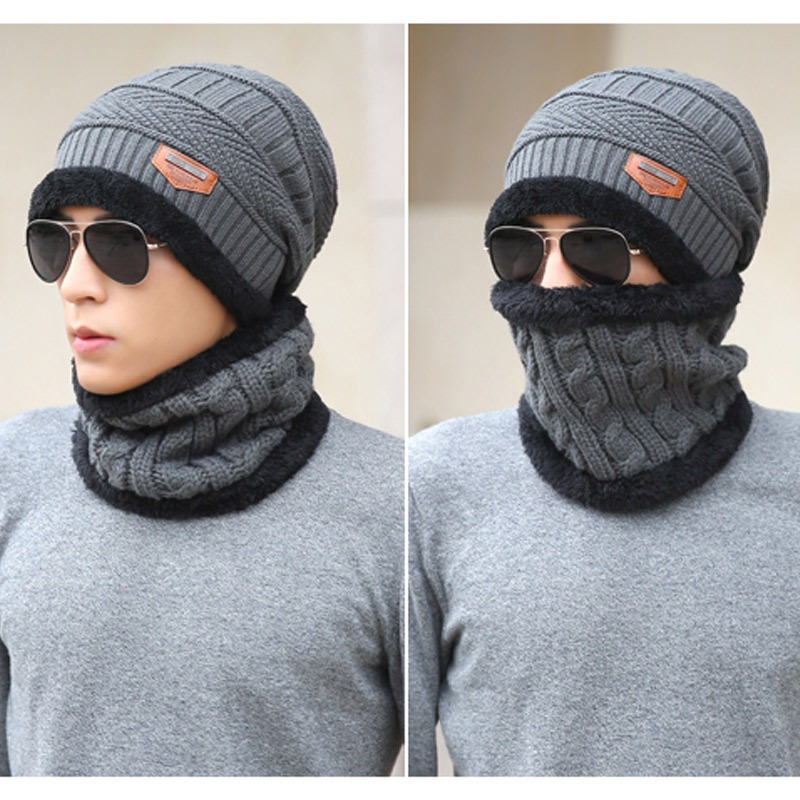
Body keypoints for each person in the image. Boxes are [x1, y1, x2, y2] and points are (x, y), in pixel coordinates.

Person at [0, 63, 403, 776]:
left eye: (119, 244)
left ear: (237, 269)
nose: (75, 284)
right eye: (56, 241)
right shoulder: (14, 469)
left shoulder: (396, 504)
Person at [408, 66, 800, 776]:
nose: (552, 282)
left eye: (595, 248)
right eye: (522, 248)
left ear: (696, 267)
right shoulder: (433, 484)